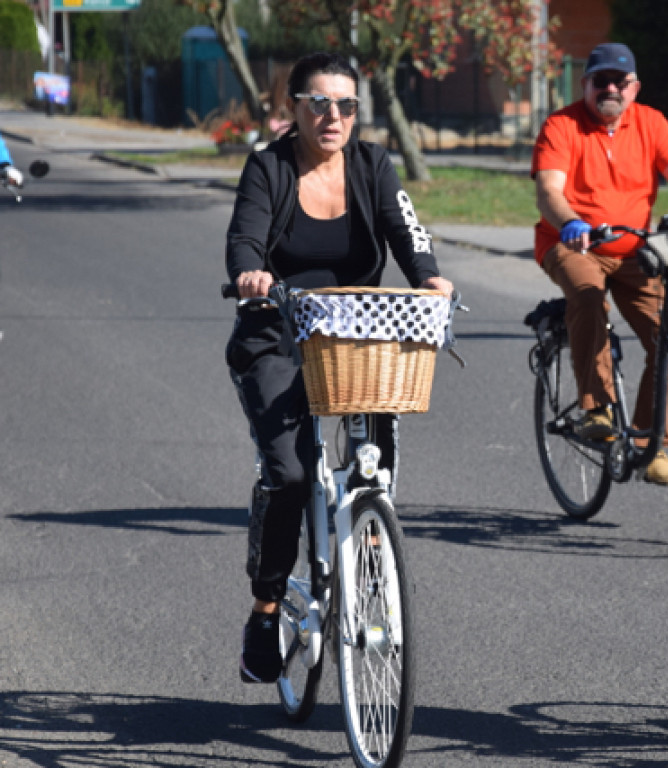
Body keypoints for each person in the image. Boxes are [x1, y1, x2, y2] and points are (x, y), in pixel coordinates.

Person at [224, 52, 453, 684]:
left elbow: (407, 231)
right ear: (293, 106)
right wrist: (252, 274)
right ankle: (266, 610)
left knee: (370, 470)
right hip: (276, 332)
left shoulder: (372, 164)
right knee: (291, 475)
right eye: (319, 102)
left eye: (346, 105)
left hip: (354, 336)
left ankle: (370, 548)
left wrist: (428, 276)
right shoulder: (268, 166)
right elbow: (244, 236)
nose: (333, 115)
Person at [531, 42, 668, 486]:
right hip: (572, 244)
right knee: (589, 298)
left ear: (634, 87)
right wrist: (571, 222)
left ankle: (652, 442)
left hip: (633, 248)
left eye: (620, 81)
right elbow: (548, 190)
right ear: (585, 84)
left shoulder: (650, 122)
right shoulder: (562, 124)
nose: (610, 88)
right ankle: (595, 409)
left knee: (666, 334)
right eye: (601, 80)